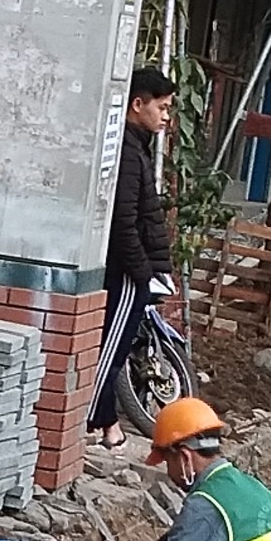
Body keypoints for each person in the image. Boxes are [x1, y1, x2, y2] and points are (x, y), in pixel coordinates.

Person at [90, 67, 176, 449]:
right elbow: (123, 222)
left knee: (114, 347)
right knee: (110, 351)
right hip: (126, 272)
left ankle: (105, 422)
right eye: (162, 107)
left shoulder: (135, 146)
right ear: (137, 104)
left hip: (132, 270)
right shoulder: (127, 152)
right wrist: (142, 273)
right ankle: (97, 421)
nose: (166, 116)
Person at [147, 397, 271, 541]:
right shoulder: (249, 485)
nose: (169, 472)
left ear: (184, 457)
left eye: (167, 461)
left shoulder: (204, 504)